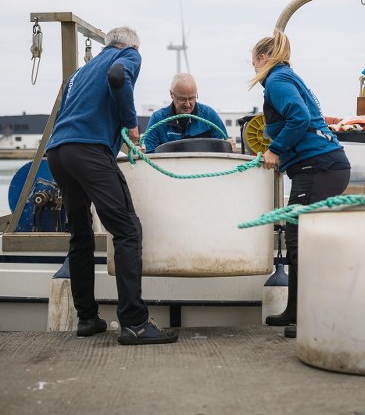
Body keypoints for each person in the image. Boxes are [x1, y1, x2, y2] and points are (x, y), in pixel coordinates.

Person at [45, 26, 178, 345]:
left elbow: (72, 113)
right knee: (128, 230)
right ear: (132, 45)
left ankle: (87, 318)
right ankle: (134, 323)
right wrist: (131, 124)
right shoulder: (127, 54)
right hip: (89, 152)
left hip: (59, 153)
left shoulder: (79, 73)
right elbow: (118, 76)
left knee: (80, 234)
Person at [249, 29, 351, 339]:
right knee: (299, 237)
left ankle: (309, 316)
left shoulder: (277, 81)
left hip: (319, 166)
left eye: (253, 62)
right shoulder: (287, 77)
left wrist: (275, 150)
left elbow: (299, 118)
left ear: (263, 58)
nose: (253, 68)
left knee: (299, 239)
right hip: (321, 165)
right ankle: (295, 310)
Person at [142, 72, 236, 153]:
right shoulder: (157, 120)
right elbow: (150, 155)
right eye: (182, 99)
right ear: (171, 94)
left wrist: (229, 146)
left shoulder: (209, 115)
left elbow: (223, 149)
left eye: (191, 98)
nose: (187, 104)